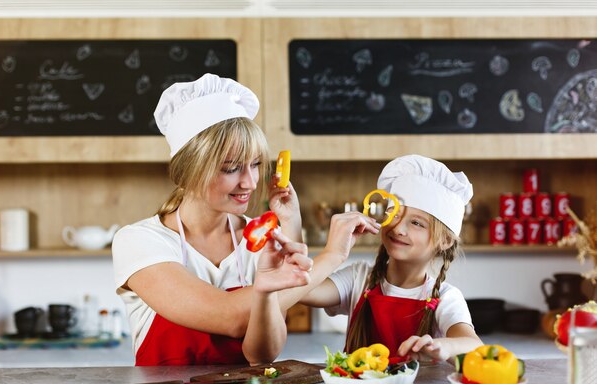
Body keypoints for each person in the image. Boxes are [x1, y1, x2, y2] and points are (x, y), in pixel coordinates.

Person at [112, 73, 314, 366]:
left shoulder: (261, 242)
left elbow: (264, 354)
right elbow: (232, 318)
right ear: (189, 170)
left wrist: (291, 225)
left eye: (256, 164)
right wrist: (334, 255)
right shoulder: (140, 241)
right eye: (231, 168)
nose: (250, 182)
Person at [300, 154, 483, 362]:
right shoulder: (358, 278)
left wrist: (443, 346)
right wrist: (332, 254)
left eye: (416, 223)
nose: (398, 228)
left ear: (446, 241)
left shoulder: (446, 297)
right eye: (394, 214)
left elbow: (474, 346)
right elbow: (301, 290)